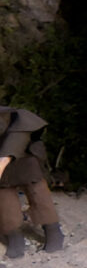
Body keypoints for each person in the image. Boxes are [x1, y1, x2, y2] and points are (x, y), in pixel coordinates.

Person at [0, 105, 64, 259]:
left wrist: (1, 166)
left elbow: (9, 152)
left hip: (25, 160)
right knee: (5, 199)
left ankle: (53, 230)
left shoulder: (18, 120)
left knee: (38, 194)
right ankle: (14, 235)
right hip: (3, 168)